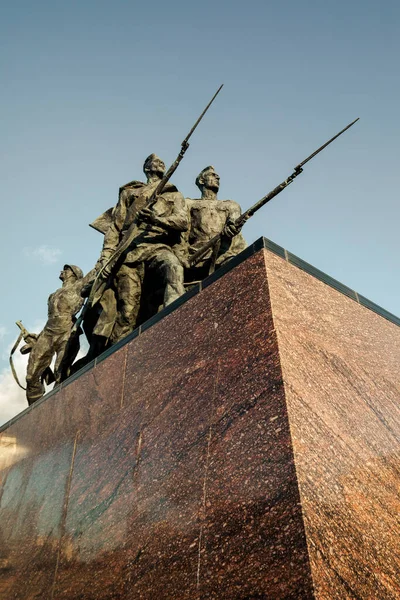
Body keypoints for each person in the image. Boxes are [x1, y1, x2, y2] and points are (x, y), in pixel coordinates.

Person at [91, 153, 188, 345]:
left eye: (162, 162)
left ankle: (175, 320)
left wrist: (156, 219)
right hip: (130, 254)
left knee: (173, 267)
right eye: (156, 162)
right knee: (127, 314)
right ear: (146, 168)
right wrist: (106, 257)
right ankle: (116, 357)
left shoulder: (174, 194)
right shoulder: (129, 194)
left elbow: (183, 221)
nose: (161, 164)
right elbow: (115, 228)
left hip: (157, 247)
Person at [25, 264, 95, 404]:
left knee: (60, 374)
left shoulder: (80, 284)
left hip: (67, 331)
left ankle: (61, 409)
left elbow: (100, 267)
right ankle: (36, 412)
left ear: (74, 274)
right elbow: (52, 317)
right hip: (48, 332)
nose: (62, 271)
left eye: (67, 269)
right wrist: (38, 337)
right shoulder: (53, 294)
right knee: (31, 376)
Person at [184, 166, 246, 281]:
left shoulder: (231, 205)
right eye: (212, 175)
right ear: (201, 181)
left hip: (223, 254)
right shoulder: (189, 204)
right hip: (196, 255)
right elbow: (182, 230)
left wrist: (232, 227)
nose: (218, 177)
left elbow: (234, 221)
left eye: (217, 175)